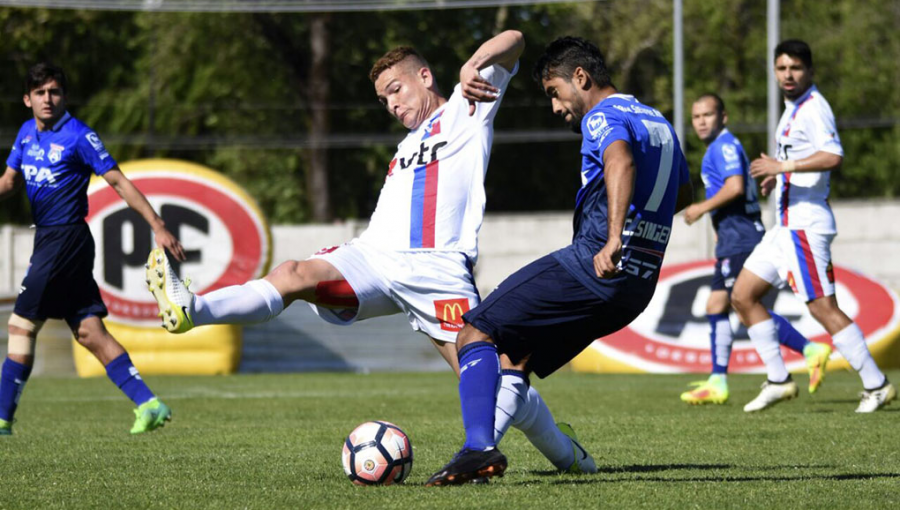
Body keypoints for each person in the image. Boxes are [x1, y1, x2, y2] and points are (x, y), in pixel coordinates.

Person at [146, 31, 597, 474]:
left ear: (425, 76)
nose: (393, 104)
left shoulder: (468, 104)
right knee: (294, 273)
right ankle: (193, 308)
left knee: (488, 379)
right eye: (384, 100)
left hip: (434, 269)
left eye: (396, 90)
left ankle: (564, 453)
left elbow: (515, 38)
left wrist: (473, 63)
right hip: (373, 259)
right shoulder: (404, 147)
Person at [425, 36, 693, 486]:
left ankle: (476, 447)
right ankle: (541, 459)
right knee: (517, 359)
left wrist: (612, 239)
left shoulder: (602, 116)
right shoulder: (658, 122)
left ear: (581, 78)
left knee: (476, 329)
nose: (555, 107)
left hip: (592, 265)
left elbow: (620, 160)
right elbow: (683, 193)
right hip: (635, 289)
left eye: (554, 92)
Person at [0, 63, 185, 435]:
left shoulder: (79, 136)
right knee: (88, 332)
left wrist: (158, 225)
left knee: (21, 325)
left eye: (54, 92)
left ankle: (2, 420)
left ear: (64, 97)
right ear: (27, 99)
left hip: (64, 239)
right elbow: (9, 180)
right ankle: (149, 404)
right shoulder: (24, 134)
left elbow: (117, 180)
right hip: (54, 241)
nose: (47, 99)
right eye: (40, 93)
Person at [733, 39, 895, 413]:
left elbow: (833, 155)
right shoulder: (792, 109)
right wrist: (779, 176)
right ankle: (778, 380)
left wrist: (782, 168)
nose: (788, 75)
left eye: (796, 68)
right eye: (782, 68)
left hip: (805, 227)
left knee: (823, 308)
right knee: (743, 295)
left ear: (810, 71)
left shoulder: (814, 108)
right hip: (785, 228)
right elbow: (802, 156)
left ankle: (877, 384)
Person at [679, 93, 832, 405]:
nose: (702, 122)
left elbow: (734, 187)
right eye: (697, 117)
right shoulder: (719, 147)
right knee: (716, 306)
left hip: (743, 240)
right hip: (733, 240)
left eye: (708, 114)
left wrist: (700, 208)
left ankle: (808, 349)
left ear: (724, 116)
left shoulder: (723, 146)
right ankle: (718, 380)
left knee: (743, 303)